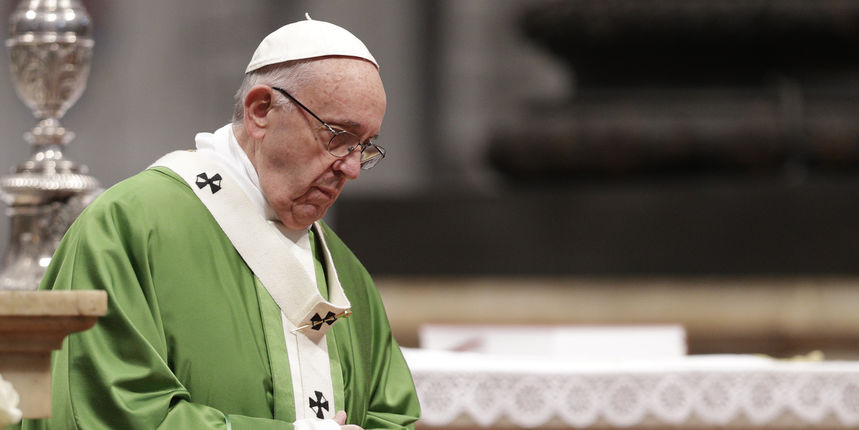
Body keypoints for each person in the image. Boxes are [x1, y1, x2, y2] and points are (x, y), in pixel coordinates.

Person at [17, 15, 420, 430]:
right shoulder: (129, 228)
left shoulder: (342, 271)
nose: (351, 168)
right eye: (338, 136)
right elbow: (107, 410)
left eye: (364, 147)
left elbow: (391, 415)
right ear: (260, 111)